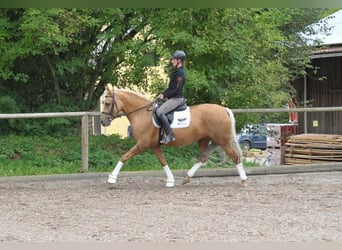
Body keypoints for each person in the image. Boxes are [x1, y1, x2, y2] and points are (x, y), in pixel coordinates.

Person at [156, 50, 187, 144]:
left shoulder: (180, 73)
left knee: (160, 112)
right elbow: (170, 87)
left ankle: (170, 135)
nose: (171, 61)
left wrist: (164, 95)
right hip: (172, 97)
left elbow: (175, 89)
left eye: (173, 59)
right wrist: (162, 94)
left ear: (179, 61)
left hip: (177, 98)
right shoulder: (176, 71)